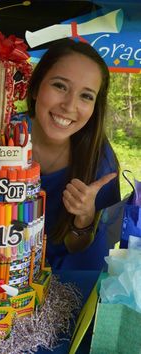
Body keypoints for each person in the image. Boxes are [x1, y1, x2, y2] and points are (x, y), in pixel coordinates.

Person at [27, 38, 121, 271]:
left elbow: (83, 252)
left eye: (86, 96)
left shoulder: (100, 163)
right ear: (37, 86)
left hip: (66, 284)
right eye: (60, 86)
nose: (69, 106)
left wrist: (85, 217)